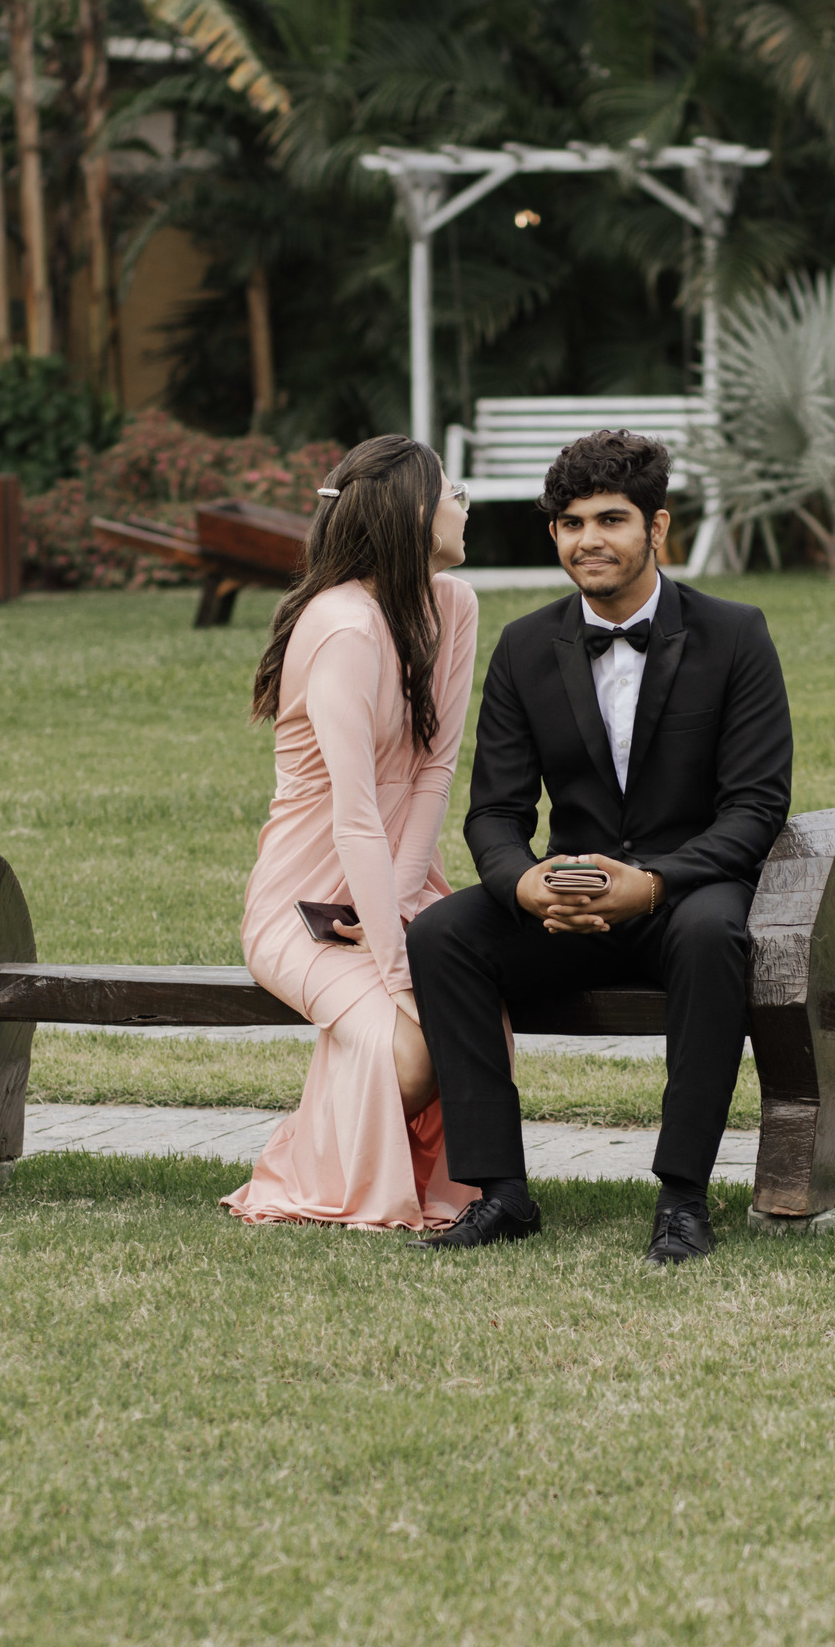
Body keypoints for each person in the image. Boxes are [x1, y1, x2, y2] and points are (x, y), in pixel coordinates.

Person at [407, 429, 793, 1265]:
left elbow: (756, 807)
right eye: (571, 523)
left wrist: (651, 884)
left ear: (657, 527)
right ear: (554, 533)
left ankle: (682, 1200)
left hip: (688, 893)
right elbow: (494, 813)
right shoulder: (524, 646)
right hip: (568, 901)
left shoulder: (735, 635)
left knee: (714, 935)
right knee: (442, 934)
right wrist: (525, 886)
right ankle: (500, 1193)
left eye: (611, 520)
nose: (590, 540)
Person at [222, 434, 479, 1231]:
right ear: (412, 515)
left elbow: (435, 772)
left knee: (470, 1023)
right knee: (414, 1051)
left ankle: (403, 1167)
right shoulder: (343, 628)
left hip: (401, 885)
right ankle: (303, 1161)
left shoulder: (453, 605)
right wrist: (396, 973)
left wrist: (398, 910)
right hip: (306, 903)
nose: (464, 505)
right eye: (452, 491)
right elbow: (354, 812)